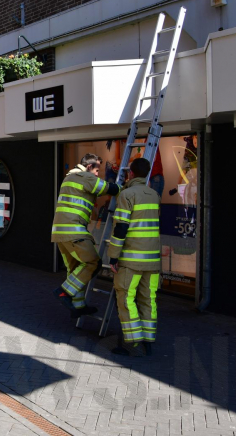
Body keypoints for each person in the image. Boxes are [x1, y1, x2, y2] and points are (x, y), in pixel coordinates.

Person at [51, 153, 121, 318]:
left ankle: (78, 306)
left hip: (60, 232)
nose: (98, 174)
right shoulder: (83, 176)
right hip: (74, 231)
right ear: (89, 167)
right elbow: (109, 189)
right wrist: (126, 187)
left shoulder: (68, 178)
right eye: (97, 170)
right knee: (93, 263)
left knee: (75, 268)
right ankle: (64, 292)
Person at [107, 157, 161, 356]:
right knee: (149, 298)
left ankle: (133, 341)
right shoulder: (154, 194)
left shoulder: (127, 194)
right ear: (147, 173)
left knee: (126, 297)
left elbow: (121, 227)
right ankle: (148, 339)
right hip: (153, 260)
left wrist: (113, 256)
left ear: (130, 173)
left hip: (131, 259)